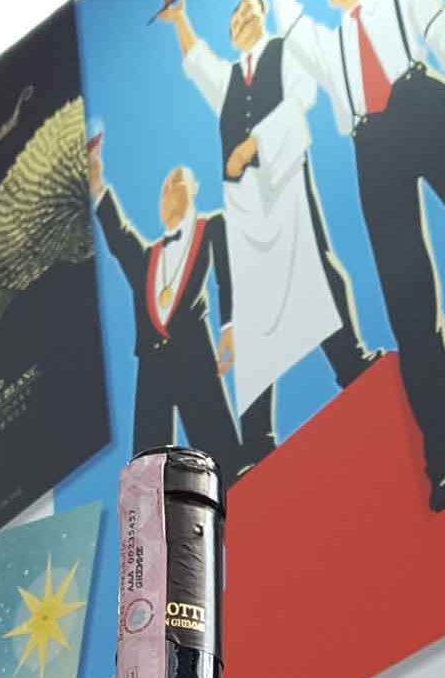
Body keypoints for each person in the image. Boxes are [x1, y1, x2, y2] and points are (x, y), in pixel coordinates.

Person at [285, 0, 445, 512]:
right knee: (409, 301)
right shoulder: (325, 43)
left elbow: (435, 18)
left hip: (426, 102)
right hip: (372, 146)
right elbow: (289, 23)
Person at [159, 0, 374, 462]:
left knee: (315, 268)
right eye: (234, 19)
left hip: (284, 174)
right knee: (254, 309)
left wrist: (255, 144)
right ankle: (256, 438)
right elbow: (198, 60)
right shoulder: (230, 79)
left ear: (263, 14)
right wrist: (180, 20)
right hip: (245, 202)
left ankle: (351, 362)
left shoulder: (285, 50)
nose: (241, 20)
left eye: (248, 11)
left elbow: (300, 100)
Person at [89, 143, 249, 473]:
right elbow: (119, 235)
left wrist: (229, 327)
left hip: (193, 350)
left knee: (218, 446)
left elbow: (227, 276)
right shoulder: (148, 258)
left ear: (195, 188)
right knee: (150, 466)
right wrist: (96, 183)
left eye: (178, 179)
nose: (170, 187)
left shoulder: (211, 226)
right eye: (164, 187)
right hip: (152, 361)